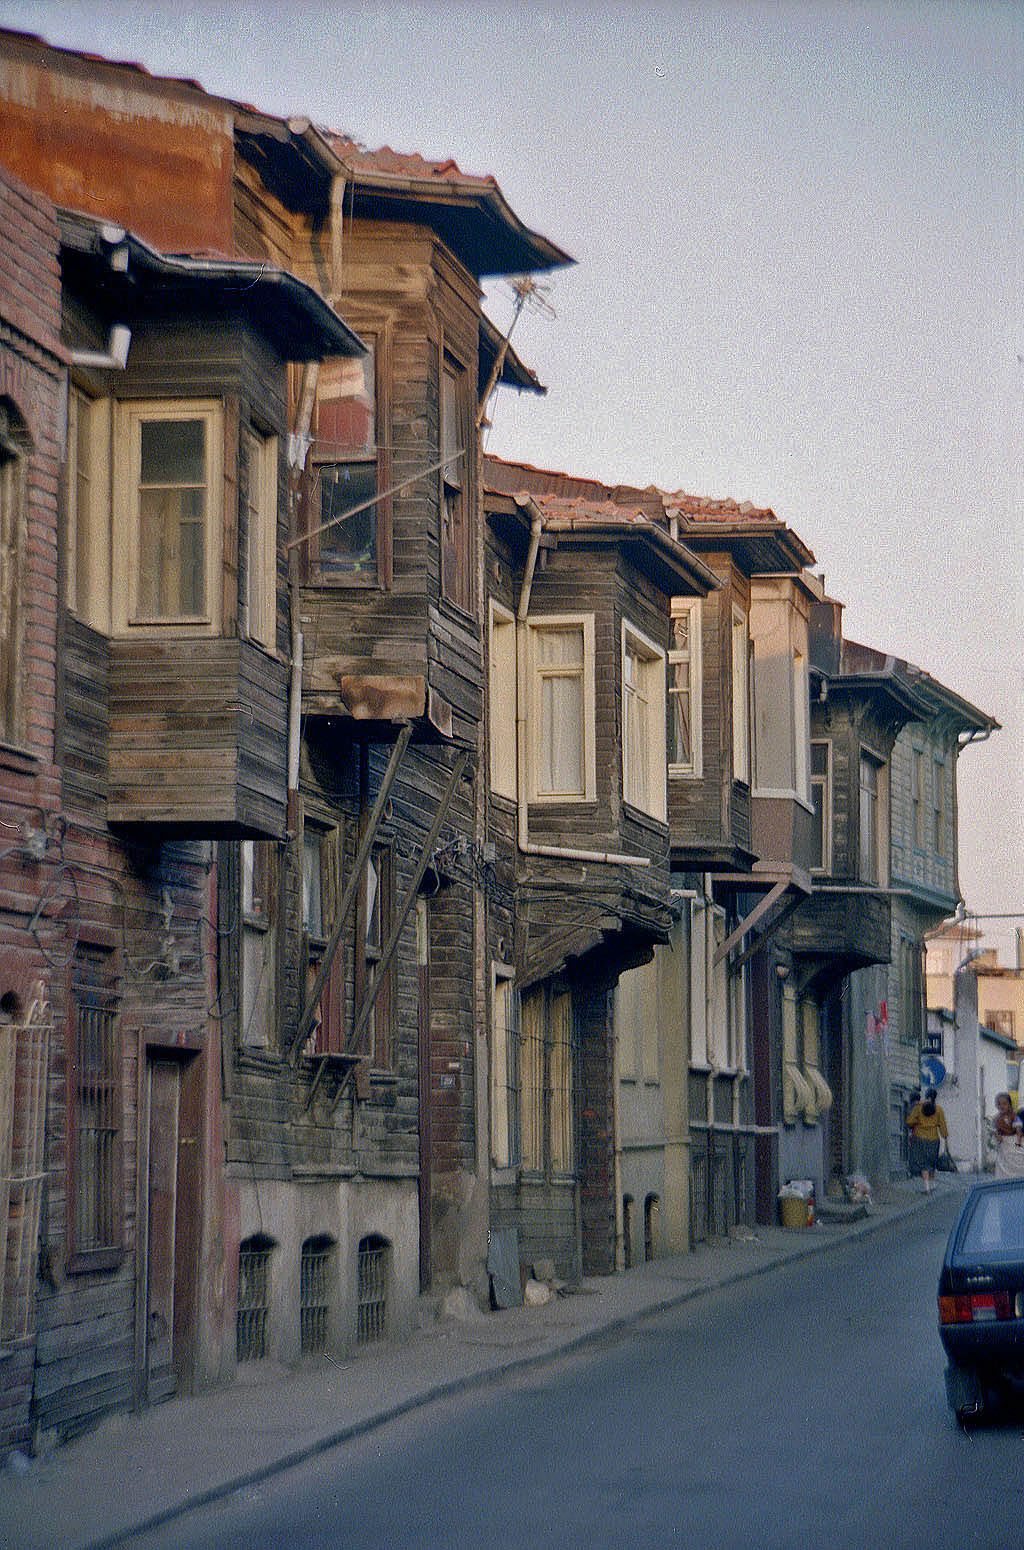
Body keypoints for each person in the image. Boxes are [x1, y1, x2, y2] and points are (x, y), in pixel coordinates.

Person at [906, 1087, 948, 1193]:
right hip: (934, 1139)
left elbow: (910, 1121)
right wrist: (945, 1137)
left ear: (926, 1096)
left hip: (920, 1138)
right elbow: (943, 1126)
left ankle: (926, 1187)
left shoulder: (918, 1107)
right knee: (931, 1162)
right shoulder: (939, 1110)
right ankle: (932, 1184)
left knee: (923, 1163)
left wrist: (916, 1122)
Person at [993, 1093, 1024, 1177]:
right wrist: (998, 1135)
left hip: (1014, 1138)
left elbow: (1018, 1130)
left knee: (1018, 1154)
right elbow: (996, 1130)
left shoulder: (1014, 1116)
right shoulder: (996, 1119)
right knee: (1003, 1155)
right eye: (999, 1104)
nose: (1002, 1106)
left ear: (1009, 1105)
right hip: (1004, 1140)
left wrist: (1018, 1141)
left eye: (1004, 1104)